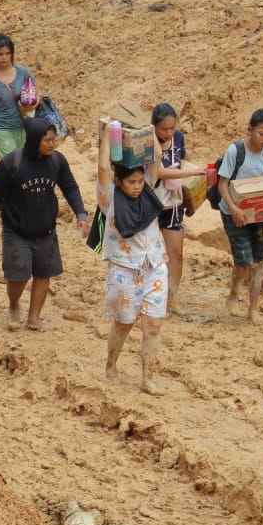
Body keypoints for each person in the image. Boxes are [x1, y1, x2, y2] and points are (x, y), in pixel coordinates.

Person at [0, 115, 89, 331]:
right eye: (47, 140)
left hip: (46, 229)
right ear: (35, 139)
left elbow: (70, 187)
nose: (52, 144)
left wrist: (80, 214)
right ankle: (14, 305)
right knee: (18, 275)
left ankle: (34, 316)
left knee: (43, 274)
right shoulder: (12, 163)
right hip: (16, 229)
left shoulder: (57, 161)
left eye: (54, 140)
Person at [96, 138, 169, 394]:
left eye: (140, 181)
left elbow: (157, 157)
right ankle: (111, 364)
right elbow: (103, 168)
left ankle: (148, 378)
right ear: (119, 181)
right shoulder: (109, 200)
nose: (137, 187)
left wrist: (148, 132)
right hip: (125, 269)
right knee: (124, 323)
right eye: (131, 182)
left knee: (153, 325)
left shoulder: (148, 190)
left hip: (155, 265)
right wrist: (108, 134)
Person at [217, 108, 263, 323]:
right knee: (243, 260)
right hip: (234, 213)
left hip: (259, 214)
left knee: (258, 262)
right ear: (250, 130)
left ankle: (253, 308)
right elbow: (222, 184)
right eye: (261, 133)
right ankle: (234, 294)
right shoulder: (236, 151)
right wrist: (234, 209)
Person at [149, 102, 193, 306]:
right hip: (149, 202)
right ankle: (147, 296)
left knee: (176, 254)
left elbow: (183, 160)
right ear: (154, 127)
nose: (168, 132)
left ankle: (171, 301)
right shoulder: (146, 141)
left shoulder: (178, 139)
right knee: (148, 253)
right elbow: (156, 172)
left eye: (172, 128)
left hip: (173, 203)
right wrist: (191, 173)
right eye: (164, 129)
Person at [0, 32, 38, 159]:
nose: (4, 58)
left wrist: (31, 106)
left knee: (23, 163)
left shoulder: (22, 72)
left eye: (7, 53)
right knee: (13, 164)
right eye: (0, 54)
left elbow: (37, 94)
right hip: (1, 128)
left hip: (23, 127)